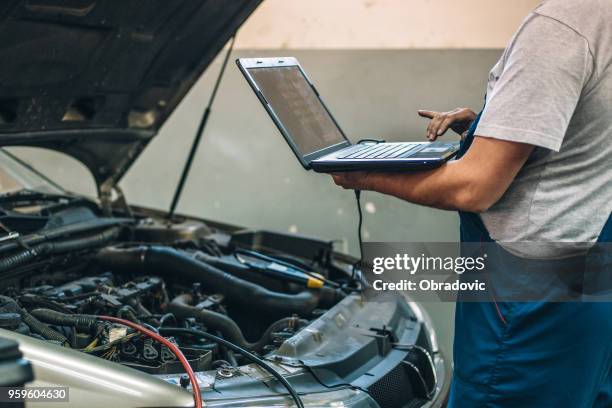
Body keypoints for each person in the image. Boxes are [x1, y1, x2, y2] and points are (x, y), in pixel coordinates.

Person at [331, 0, 612, 406]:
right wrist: (492, 123)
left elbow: (474, 187)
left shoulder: (560, 26)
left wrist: (363, 173)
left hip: (529, 305)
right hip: (590, 282)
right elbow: (585, 136)